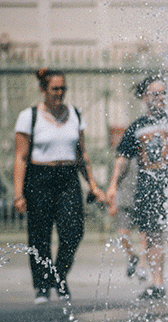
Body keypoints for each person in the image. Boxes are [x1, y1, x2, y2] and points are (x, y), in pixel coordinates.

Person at [13, 68, 106, 304]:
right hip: (39, 177)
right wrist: (18, 194)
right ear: (43, 89)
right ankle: (42, 286)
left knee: (74, 231)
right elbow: (20, 157)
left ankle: (59, 275)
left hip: (68, 178)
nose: (60, 93)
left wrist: (93, 185)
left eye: (63, 88)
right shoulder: (29, 116)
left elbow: (82, 154)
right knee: (40, 236)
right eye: (55, 88)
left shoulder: (74, 113)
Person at [105, 75, 168, 300]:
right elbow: (123, 159)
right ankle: (157, 284)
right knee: (153, 237)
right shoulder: (137, 126)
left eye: (162, 93)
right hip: (147, 190)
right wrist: (112, 186)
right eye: (154, 94)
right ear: (144, 97)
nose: (160, 98)